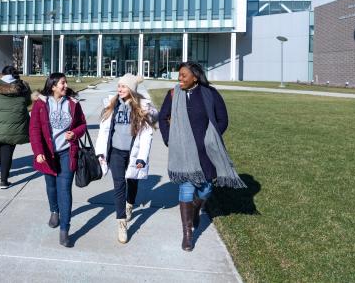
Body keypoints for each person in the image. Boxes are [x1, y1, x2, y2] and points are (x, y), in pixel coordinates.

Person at [159, 61, 246, 251]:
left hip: (206, 153)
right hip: (182, 152)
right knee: (186, 190)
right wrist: (169, 138)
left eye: (183, 75)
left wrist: (211, 138)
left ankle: (197, 208)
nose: (179, 78)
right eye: (179, 75)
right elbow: (162, 117)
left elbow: (223, 119)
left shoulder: (210, 94)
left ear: (195, 77)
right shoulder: (173, 94)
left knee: (206, 189)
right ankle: (188, 234)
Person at [95, 74, 158, 244]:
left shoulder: (141, 107)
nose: (120, 89)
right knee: (119, 185)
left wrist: (142, 158)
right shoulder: (112, 105)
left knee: (132, 181)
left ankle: (130, 204)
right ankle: (121, 223)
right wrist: (101, 152)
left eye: (123, 86)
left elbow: (147, 134)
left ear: (131, 89)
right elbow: (104, 131)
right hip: (115, 152)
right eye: (119, 86)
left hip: (133, 153)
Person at [29, 73, 87, 247]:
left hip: (67, 153)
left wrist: (75, 133)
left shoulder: (73, 104)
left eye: (65, 82)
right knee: (51, 186)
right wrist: (38, 152)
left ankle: (64, 230)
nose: (65, 85)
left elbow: (82, 125)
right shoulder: (40, 104)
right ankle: (54, 211)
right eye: (62, 83)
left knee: (65, 190)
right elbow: (34, 130)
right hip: (47, 154)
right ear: (53, 86)